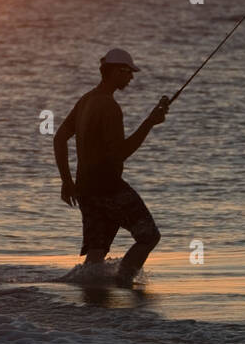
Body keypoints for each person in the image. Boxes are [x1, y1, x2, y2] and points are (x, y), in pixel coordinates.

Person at [54, 48, 170, 284]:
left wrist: (67, 181)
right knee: (149, 237)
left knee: (96, 253)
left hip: (85, 188)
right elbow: (120, 154)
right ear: (116, 71)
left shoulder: (86, 100)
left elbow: (59, 139)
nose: (131, 77)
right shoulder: (109, 107)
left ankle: (95, 307)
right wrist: (149, 123)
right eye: (128, 72)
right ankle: (122, 284)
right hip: (109, 187)